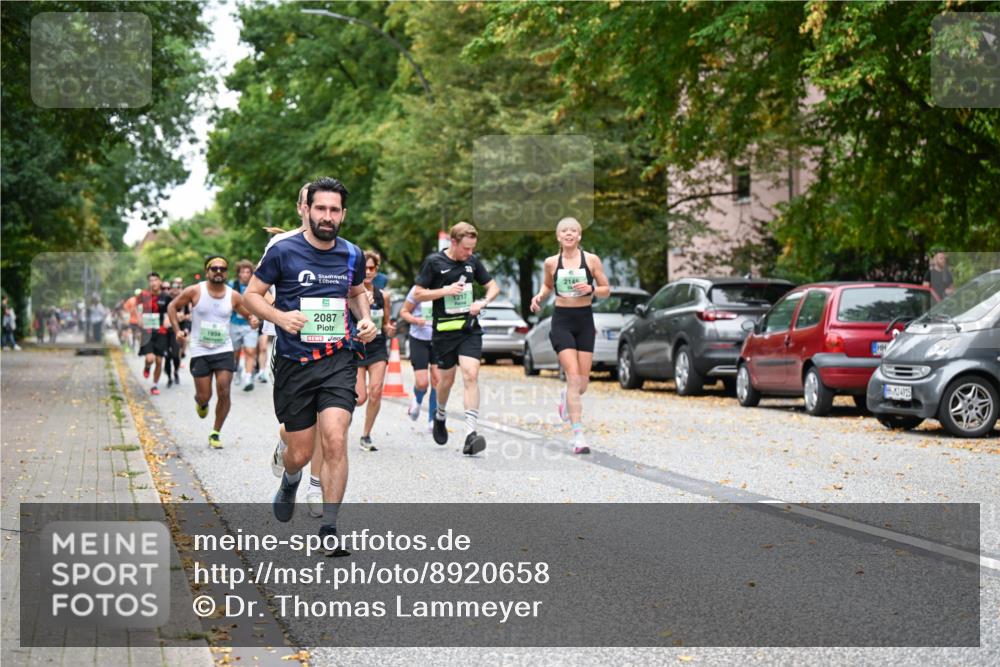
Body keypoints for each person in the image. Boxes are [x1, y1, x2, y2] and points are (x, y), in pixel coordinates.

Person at [243, 177, 377, 551]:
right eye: (321, 208)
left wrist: (366, 319)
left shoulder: (352, 254)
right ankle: (290, 479)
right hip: (295, 362)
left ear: (343, 214)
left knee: (335, 438)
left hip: (338, 359)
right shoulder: (283, 251)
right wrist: (280, 317)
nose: (327, 216)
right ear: (307, 209)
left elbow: (356, 292)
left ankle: (329, 530)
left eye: (334, 210)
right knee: (300, 453)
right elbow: (251, 296)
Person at [413, 221, 500, 455]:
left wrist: (483, 302)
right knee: (446, 382)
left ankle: (471, 434)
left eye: (473, 249)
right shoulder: (434, 262)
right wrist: (445, 291)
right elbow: (418, 293)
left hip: (469, 329)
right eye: (466, 248)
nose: (470, 253)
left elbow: (493, 287)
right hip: (444, 331)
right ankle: (440, 414)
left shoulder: (472, 262)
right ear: (453, 242)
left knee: (471, 375)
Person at [530, 217, 611, 454]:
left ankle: (567, 396)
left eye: (573, 231)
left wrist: (592, 289)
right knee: (574, 378)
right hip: (562, 321)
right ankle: (579, 436)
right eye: (564, 231)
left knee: (581, 385)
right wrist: (539, 296)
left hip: (584, 321)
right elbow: (547, 286)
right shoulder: (551, 262)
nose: (568, 234)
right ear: (558, 236)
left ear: (579, 236)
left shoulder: (591, 260)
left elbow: (606, 290)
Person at [169, 256, 257, 449]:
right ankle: (201, 403)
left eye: (222, 269)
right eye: (214, 268)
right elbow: (172, 307)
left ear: (226, 273)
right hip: (200, 350)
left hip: (223, 348)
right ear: (207, 271)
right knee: (204, 396)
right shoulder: (194, 291)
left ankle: (215, 432)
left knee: (224, 389)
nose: (218, 272)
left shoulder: (233, 295)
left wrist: (252, 320)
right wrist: (177, 330)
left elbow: (247, 313)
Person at [354, 251, 396, 451]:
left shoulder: (383, 295)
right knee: (360, 397)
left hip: (377, 346)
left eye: (371, 268)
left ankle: (366, 434)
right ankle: (342, 413)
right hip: (358, 346)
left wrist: (388, 327)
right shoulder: (351, 293)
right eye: (364, 268)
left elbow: (386, 322)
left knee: (376, 391)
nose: (368, 272)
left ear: (376, 270)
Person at [400, 285, 438, 433]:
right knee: (422, 383)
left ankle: (433, 420)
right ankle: (417, 400)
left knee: (437, 380)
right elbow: (404, 312)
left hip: (439, 339)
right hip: (418, 339)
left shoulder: (444, 287)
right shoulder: (417, 289)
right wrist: (415, 320)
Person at [138, 272, 172, 395]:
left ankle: (154, 385)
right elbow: (138, 309)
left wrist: (168, 319)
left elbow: (170, 311)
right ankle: (147, 366)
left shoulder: (166, 297)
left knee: (158, 360)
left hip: (161, 331)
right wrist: (139, 319)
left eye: (155, 280)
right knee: (150, 358)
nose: (153, 283)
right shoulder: (144, 295)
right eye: (151, 280)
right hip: (147, 331)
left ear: (160, 281)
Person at [230, 260, 260, 391]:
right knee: (235, 352)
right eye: (243, 272)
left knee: (250, 351)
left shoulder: (256, 286)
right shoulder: (232, 285)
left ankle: (248, 377)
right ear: (238, 273)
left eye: (248, 272)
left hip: (250, 325)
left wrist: (257, 317)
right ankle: (237, 370)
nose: (245, 274)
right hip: (234, 324)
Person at [163, 279, 185, 387]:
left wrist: (183, 320)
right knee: (167, 356)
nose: (175, 290)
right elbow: (159, 313)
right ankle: (169, 378)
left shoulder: (183, 300)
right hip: (164, 332)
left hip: (176, 331)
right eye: (173, 288)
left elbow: (188, 315)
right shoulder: (164, 299)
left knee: (176, 355)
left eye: (178, 287)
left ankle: (176, 371)